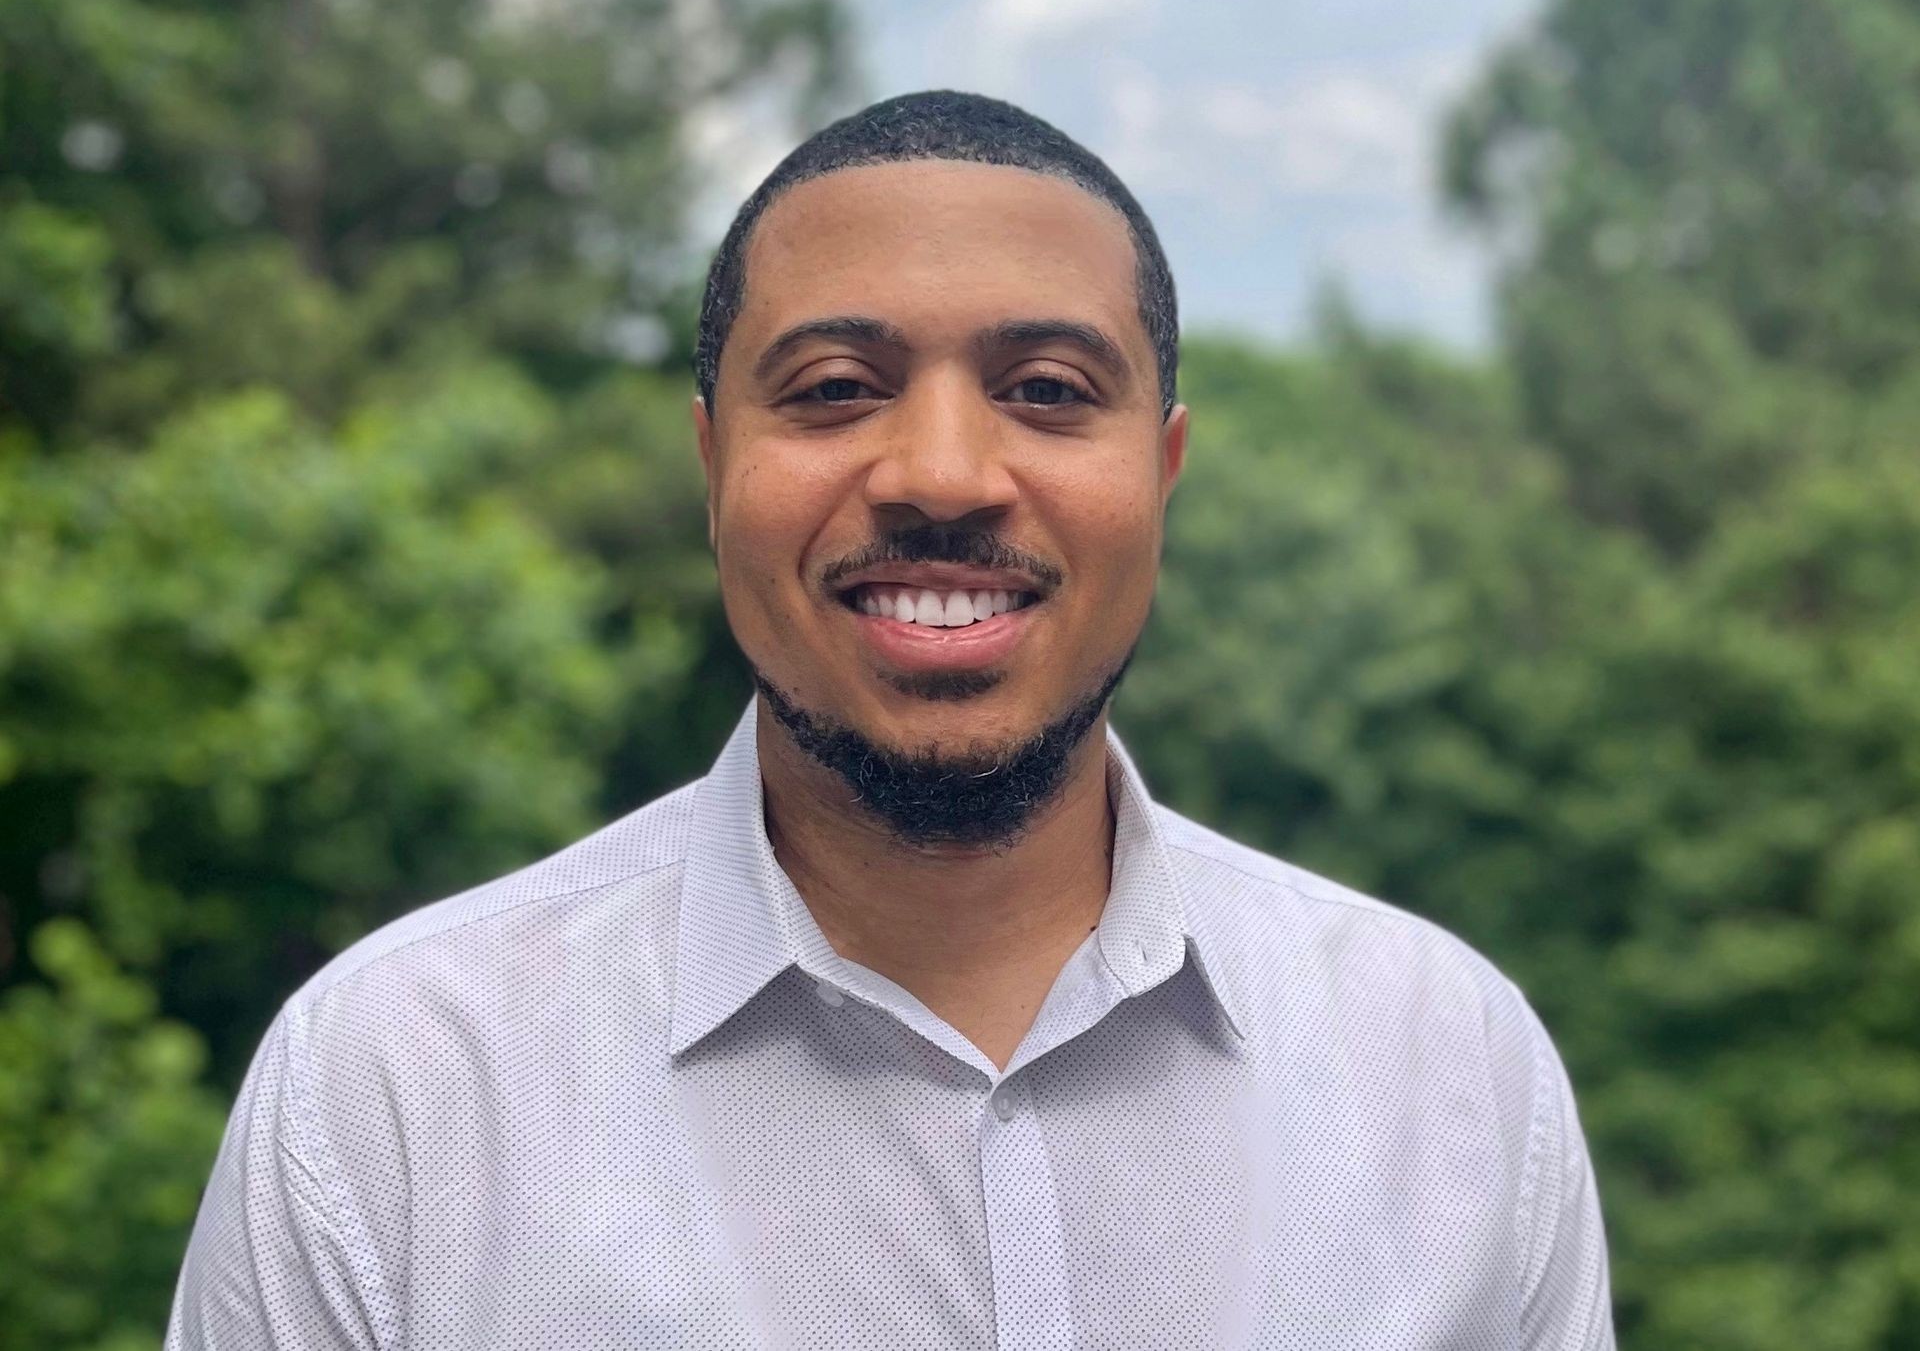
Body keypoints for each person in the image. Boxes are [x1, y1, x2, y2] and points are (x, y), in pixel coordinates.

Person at [166, 89, 1615, 1349]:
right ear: (711, 456)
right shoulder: (394, 1094)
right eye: (837, 389)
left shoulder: (1451, 1076)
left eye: (1047, 390)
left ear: (1163, 471)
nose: (941, 471)